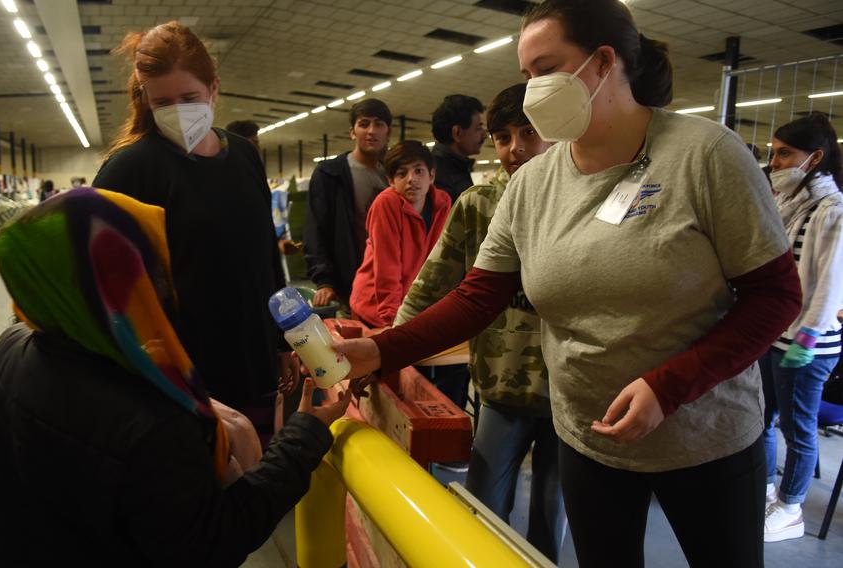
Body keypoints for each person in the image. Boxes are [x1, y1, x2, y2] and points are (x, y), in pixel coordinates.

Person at [333, 1, 803, 566]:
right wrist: (378, 350)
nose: (532, 90)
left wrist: (670, 385)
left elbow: (776, 297)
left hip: (705, 438)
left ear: (604, 62)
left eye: (546, 69)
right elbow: (477, 297)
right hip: (588, 436)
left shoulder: (705, 156)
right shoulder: (531, 185)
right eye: (526, 74)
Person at [0, 188, 352, 566]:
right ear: (112, 288)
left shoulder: (8, 350)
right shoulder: (151, 423)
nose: (165, 284)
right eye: (149, 268)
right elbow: (216, 538)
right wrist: (303, 434)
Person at [92, 22, 294, 442]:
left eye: (190, 98)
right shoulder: (130, 170)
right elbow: (101, 287)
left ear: (214, 89)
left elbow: (265, 256)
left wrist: (283, 339)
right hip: (183, 376)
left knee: (258, 478)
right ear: (145, 100)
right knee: (203, 493)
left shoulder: (243, 156)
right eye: (163, 101)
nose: (179, 111)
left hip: (254, 358)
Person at [393, 83, 560, 560]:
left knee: (553, 510)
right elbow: (431, 285)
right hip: (500, 385)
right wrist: (392, 348)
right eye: (503, 137)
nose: (516, 149)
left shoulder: (585, 203)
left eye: (531, 133)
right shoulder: (479, 204)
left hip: (570, 393)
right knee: (484, 509)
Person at [761, 113, 843, 542]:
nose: (775, 162)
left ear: (815, 157)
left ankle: (791, 509)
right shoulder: (790, 202)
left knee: (799, 429)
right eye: (773, 153)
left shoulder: (832, 211)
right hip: (775, 335)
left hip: (806, 343)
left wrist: (807, 336)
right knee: (762, 419)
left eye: (784, 153)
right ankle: (767, 490)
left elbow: (831, 282)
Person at [349, 141, 451, 328]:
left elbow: (438, 262)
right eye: (402, 173)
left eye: (418, 171)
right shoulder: (386, 205)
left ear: (432, 176)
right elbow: (387, 268)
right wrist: (393, 321)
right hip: (376, 305)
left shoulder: (442, 203)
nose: (411, 179)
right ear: (391, 181)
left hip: (411, 304)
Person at [304, 99, 392, 307]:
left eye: (379, 124)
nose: (371, 131)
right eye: (364, 124)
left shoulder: (396, 174)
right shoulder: (330, 173)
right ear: (352, 131)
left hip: (389, 282)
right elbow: (316, 230)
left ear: (388, 132)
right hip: (347, 282)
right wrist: (324, 280)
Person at [430, 94, 486, 202]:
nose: (484, 135)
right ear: (457, 133)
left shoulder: (455, 167)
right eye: (478, 128)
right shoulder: (439, 178)